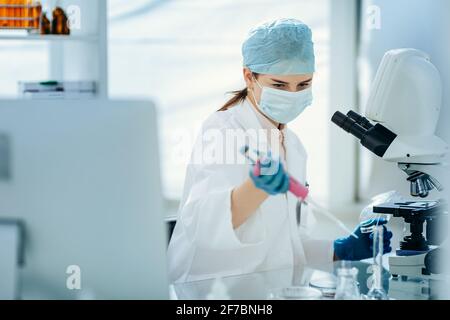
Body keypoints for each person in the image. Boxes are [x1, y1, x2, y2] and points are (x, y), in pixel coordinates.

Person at [167, 18, 392, 283]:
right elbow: (203, 227)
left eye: (304, 84)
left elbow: (288, 246)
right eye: (279, 85)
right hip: (209, 288)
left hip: (267, 287)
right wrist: (257, 188)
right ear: (249, 77)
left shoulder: (293, 146)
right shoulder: (223, 131)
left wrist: (339, 249)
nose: (293, 94)